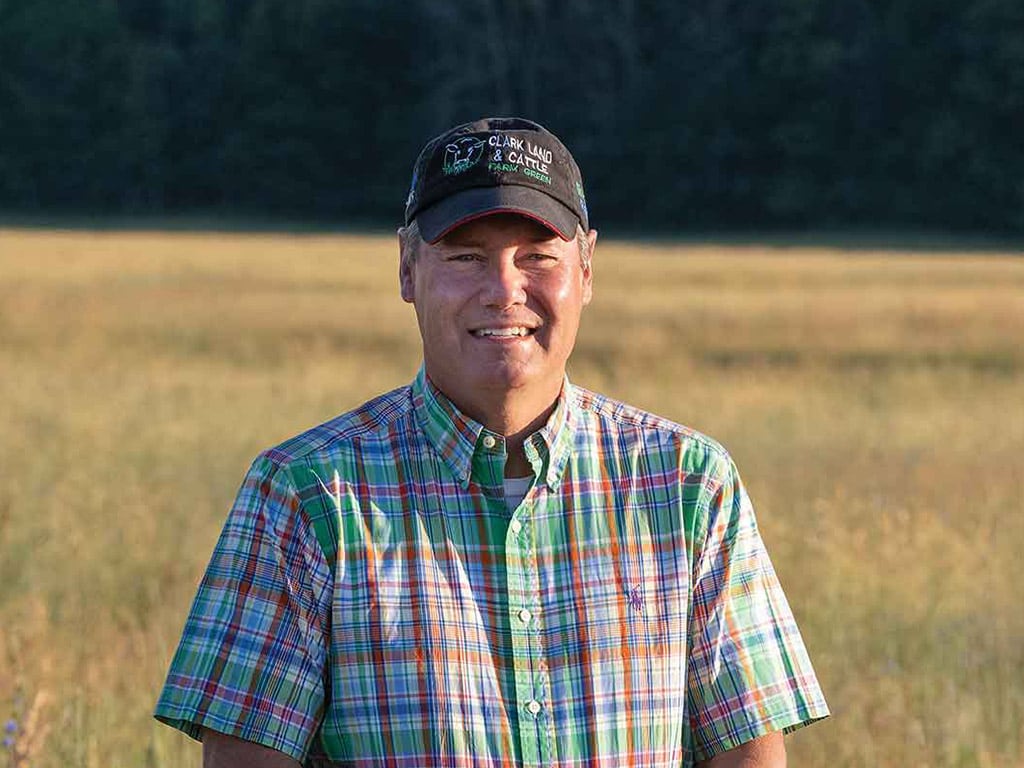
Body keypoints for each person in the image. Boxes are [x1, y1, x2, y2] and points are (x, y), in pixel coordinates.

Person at [154, 117, 829, 767]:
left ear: (587, 268)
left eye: (537, 257)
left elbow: (746, 750)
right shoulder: (307, 493)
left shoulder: (687, 482)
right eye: (466, 257)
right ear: (408, 269)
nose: (504, 290)